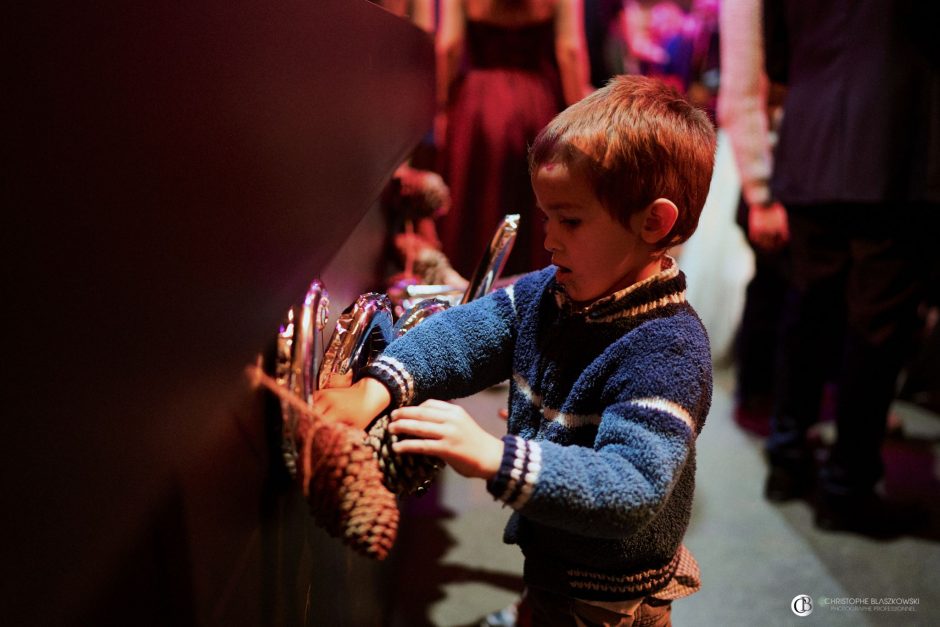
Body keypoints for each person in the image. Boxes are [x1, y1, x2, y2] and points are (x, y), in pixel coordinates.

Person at [310, 75, 717, 625]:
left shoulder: (668, 351)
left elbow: (633, 486)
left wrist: (491, 455)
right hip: (554, 559)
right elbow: (467, 332)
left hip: (607, 599)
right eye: (547, 216)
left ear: (653, 223)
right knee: (543, 603)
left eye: (569, 220)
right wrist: (376, 386)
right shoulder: (553, 292)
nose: (548, 238)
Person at [761, 0, 940, 534]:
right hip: (894, 138)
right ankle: (847, 485)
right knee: (877, 324)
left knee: (808, 306)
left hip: (812, 136)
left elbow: (777, 59)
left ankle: (788, 459)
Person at [434, 0, 591, 279]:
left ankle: (466, 297)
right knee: (533, 204)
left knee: (473, 206)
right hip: (536, 106)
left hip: (478, 108)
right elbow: (570, 51)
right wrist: (581, 116)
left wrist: (441, 105)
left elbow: (449, 46)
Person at [717, 0, 790, 436]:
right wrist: (760, 192)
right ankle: (758, 398)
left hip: (801, 151)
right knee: (771, 283)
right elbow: (740, 94)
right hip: (768, 155)